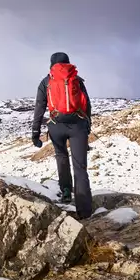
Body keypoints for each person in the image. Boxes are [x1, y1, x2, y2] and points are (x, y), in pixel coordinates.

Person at [31, 52, 93, 219]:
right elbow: (86, 104)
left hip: (56, 126)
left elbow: (39, 107)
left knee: (61, 156)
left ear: (51, 65)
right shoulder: (76, 79)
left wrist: (35, 132)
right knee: (80, 167)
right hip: (78, 125)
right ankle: (85, 211)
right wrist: (87, 126)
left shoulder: (46, 82)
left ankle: (66, 192)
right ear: (68, 63)